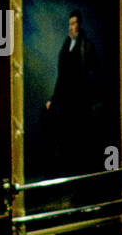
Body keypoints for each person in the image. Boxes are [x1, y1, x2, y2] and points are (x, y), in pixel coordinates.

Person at [43, 10, 106, 175]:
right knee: (66, 136)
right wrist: (53, 99)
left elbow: (94, 73)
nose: (71, 28)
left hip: (81, 99)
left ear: (79, 25)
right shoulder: (66, 45)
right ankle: (68, 172)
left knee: (81, 136)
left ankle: (82, 173)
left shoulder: (87, 46)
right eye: (69, 24)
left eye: (74, 24)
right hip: (66, 100)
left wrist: (92, 95)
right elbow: (61, 76)